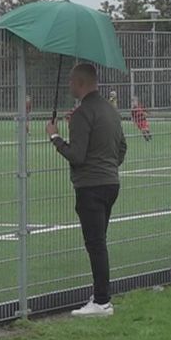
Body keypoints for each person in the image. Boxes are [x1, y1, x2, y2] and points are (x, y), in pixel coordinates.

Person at [47, 63, 128, 317]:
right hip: (110, 182)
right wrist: (107, 164)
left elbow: (77, 155)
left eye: (72, 82)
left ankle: (102, 301)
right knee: (99, 242)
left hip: (90, 186)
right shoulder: (110, 110)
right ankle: (100, 293)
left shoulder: (83, 113)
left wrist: (55, 137)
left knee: (95, 244)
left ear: (81, 83)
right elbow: (122, 147)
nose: (70, 85)